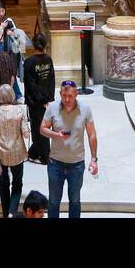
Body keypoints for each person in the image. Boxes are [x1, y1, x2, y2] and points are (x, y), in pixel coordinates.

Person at [41, 80, 98, 219]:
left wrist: (94, 159)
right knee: (54, 201)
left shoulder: (85, 109)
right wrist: (56, 135)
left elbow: (92, 134)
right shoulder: (52, 108)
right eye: (64, 95)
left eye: (70, 96)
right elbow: (42, 129)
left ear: (76, 94)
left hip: (77, 165)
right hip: (55, 164)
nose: (67, 99)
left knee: (75, 201)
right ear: (60, 93)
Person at [0, 85, 32, 218]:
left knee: (3, 184)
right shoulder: (19, 111)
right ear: (12, 96)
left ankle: (6, 214)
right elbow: (26, 134)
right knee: (17, 183)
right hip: (17, 152)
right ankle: (12, 212)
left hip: (0, 154)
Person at [24, 32, 55, 164]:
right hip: (46, 100)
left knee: (38, 128)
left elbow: (30, 85)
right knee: (44, 126)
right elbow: (51, 80)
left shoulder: (29, 62)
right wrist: (49, 98)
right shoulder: (48, 59)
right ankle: (35, 152)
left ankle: (45, 155)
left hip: (35, 101)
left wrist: (42, 100)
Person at [0, 1, 23, 96]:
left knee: (11, 72)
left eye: (3, 11)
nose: (1, 13)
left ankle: (17, 95)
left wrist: (11, 32)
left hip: (10, 49)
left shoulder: (9, 20)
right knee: (0, 72)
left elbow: (16, 34)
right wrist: (1, 27)